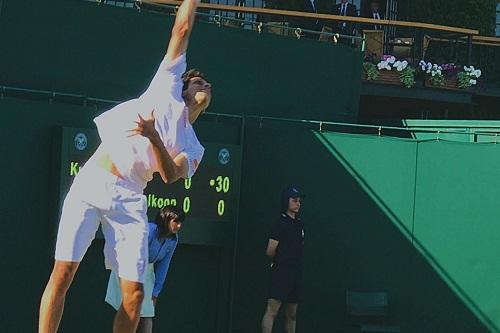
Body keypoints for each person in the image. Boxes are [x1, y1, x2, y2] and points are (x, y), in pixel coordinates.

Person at [38, 0, 211, 331]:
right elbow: (183, 27)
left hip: (130, 198)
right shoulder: (168, 82)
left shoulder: (194, 146)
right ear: (184, 84)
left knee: (133, 297)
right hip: (93, 181)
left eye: (208, 85)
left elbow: (171, 174)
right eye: (199, 81)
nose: (205, 85)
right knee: (63, 273)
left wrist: (152, 136)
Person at [105, 206, 184, 333]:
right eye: (176, 221)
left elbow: (164, 265)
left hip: (146, 274)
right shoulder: (149, 230)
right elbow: (132, 253)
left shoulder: (173, 240)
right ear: (166, 220)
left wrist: (155, 292)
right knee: (129, 310)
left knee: (146, 313)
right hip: (127, 269)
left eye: (180, 222)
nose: (179, 226)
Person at [261, 187, 306, 333]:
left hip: (296, 274)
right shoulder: (280, 223)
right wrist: (280, 262)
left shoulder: (300, 225)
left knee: (292, 314)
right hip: (281, 273)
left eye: (299, 201)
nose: (298, 204)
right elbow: (270, 250)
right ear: (286, 202)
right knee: (272, 311)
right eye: (294, 200)